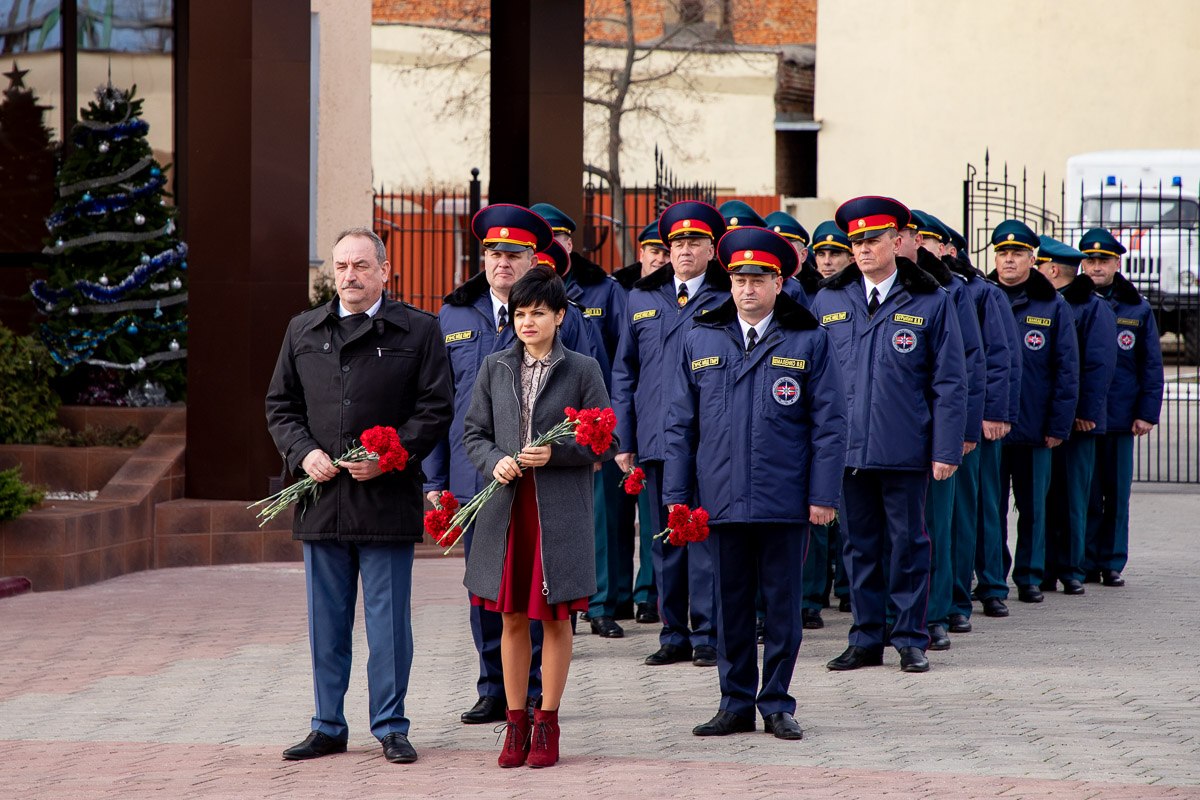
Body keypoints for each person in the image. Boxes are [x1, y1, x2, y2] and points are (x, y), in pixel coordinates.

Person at [267, 227, 454, 765]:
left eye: (361, 266)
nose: (349, 276)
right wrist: (303, 453)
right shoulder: (303, 329)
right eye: (342, 266)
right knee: (326, 621)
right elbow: (281, 404)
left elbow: (436, 407)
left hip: (385, 498)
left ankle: (391, 725)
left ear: (384, 271)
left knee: (388, 621)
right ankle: (327, 724)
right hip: (321, 497)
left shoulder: (418, 330)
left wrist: (392, 454)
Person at [422, 204, 606, 726]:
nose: (502, 263)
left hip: (550, 492)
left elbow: (594, 416)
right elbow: (444, 407)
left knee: (543, 598)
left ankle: (536, 700)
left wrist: (564, 453)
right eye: (493, 254)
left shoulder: (567, 329)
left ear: (533, 259)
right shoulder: (456, 314)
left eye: (514, 254)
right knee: (492, 594)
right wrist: (436, 478)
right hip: (481, 479)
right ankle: (494, 691)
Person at [664, 226, 846, 740]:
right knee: (731, 605)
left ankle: (778, 702)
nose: (748, 289)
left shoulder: (808, 339)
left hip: (784, 498)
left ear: (780, 282)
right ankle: (735, 701)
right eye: (740, 278)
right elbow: (679, 426)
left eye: (760, 279)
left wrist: (822, 497)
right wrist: (677, 498)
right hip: (719, 498)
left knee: (783, 607)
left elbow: (830, 425)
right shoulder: (700, 337)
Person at [462, 267, 616, 768]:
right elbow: (473, 434)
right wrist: (494, 460)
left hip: (558, 513)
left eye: (539, 313)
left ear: (560, 316)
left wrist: (560, 453)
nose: (528, 322)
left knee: (554, 618)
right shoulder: (493, 367)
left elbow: (606, 439)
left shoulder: (583, 369)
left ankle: (546, 722)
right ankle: (515, 724)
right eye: (520, 313)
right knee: (509, 616)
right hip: (506, 509)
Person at [810, 196, 967, 674]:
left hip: (904, 447)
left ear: (897, 242)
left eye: (872, 240)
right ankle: (865, 637)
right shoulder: (830, 299)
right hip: (847, 449)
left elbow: (949, 380)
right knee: (857, 548)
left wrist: (944, 448)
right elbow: (813, 377)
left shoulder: (929, 300)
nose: (861, 250)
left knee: (907, 544)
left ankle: (910, 637)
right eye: (855, 242)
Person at [613, 199, 729, 668]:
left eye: (694, 242)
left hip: (709, 439)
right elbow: (624, 371)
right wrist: (625, 438)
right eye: (676, 242)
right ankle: (672, 631)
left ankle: (707, 632)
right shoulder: (641, 297)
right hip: (658, 439)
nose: (683, 250)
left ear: (710, 249)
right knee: (663, 539)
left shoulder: (726, 294)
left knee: (703, 537)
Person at [532, 203, 629, 637]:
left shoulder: (600, 289)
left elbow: (611, 360)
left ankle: (602, 602)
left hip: (584, 418)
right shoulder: (521, 303)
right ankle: (557, 605)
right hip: (535, 429)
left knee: (596, 515)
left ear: (571, 243)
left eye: (560, 237)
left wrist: (601, 426)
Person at [988, 220, 1079, 604]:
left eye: (1017, 254)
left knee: (1033, 508)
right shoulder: (982, 296)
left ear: (1032, 259)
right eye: (1003, 253)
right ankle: (992, 580)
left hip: (1035, 425)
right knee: (989, 510)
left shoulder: (1052, 304)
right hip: (990, 427)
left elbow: (1067, 368)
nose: (1009, 260)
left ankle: (1029, 575)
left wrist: (1058, 423)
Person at [937, 220, 1020, 626]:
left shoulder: (978, 292)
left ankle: (987, 585)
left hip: (970, 418)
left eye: (928, 240)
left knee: (978, 506)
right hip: (932, 421)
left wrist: (993, 413)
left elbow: (995, 357)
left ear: (949, 249)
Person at [1081, 228, 1164, 587]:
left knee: (1115, 493)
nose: (1096, 267)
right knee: (1084, 491)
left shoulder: (1136, 307)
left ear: (1117, 263)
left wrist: (1147, 412)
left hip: (1119, 416)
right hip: (1083, 418)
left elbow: (1151, 364)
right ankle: (1082, 559)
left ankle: (1112, 560)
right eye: (1090, 260)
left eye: (1103, 260)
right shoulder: (1073, 302)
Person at [1036, 236, 1117, 595]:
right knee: (1045, 498)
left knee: (1073, 498)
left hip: (1079, 422)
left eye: (1038, 265)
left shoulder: (1091, 307)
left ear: (1052, 269)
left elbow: (1098, 365)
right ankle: (1044, 567)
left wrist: (1085, 411)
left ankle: (1071, 566)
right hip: (1048, 417)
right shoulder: (1046, 303)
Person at [611, 219, 667, 625]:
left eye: (668, 250)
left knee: (673, 526)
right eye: (657, 250)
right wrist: (622, 437)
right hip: (644, 429)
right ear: (642, 254)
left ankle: (660, 599)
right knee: (648, 527)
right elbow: (623, 370)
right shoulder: (631, 296)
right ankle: (654, 608)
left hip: (693, 436)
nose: (663, 258)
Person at [800, 219, 854, 625]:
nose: (828, 260)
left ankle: (851, 591)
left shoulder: (850, 295)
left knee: (851, 522)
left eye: (835, 252)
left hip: (858, 420)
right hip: (818, 419)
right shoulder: (808, 298)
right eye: (821, 253)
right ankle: (811, 596)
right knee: (818, 518)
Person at [765, 210, 823, 304]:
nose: (780, 256)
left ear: (803, 255)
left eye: (787, 249)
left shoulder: (821, 294)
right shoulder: (754, 292)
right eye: (774, 249)